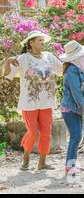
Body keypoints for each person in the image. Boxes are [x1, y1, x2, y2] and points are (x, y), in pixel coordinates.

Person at [4, 30, 62, 171]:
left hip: (47, 102)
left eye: (43, 40)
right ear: (31, 43)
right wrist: (7, 62)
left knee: (46, 133)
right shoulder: (23, 58)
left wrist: (77, 62)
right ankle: (26, 159)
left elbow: (62, 70)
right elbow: (7, 74)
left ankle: (42, 163)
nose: (43, 43)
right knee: (32, 132)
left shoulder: (49, 56)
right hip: (29, 103)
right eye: (39, 40)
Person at [59, 40, 84, 175]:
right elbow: (76, 92)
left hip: (73, 108)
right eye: (82, 55)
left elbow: (82, 82)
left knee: (76, 137)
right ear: (77, 57)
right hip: (70, 108)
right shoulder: (72, 70)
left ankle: (72, 163)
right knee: (76, 137)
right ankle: (69, 166)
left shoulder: (75, 68)